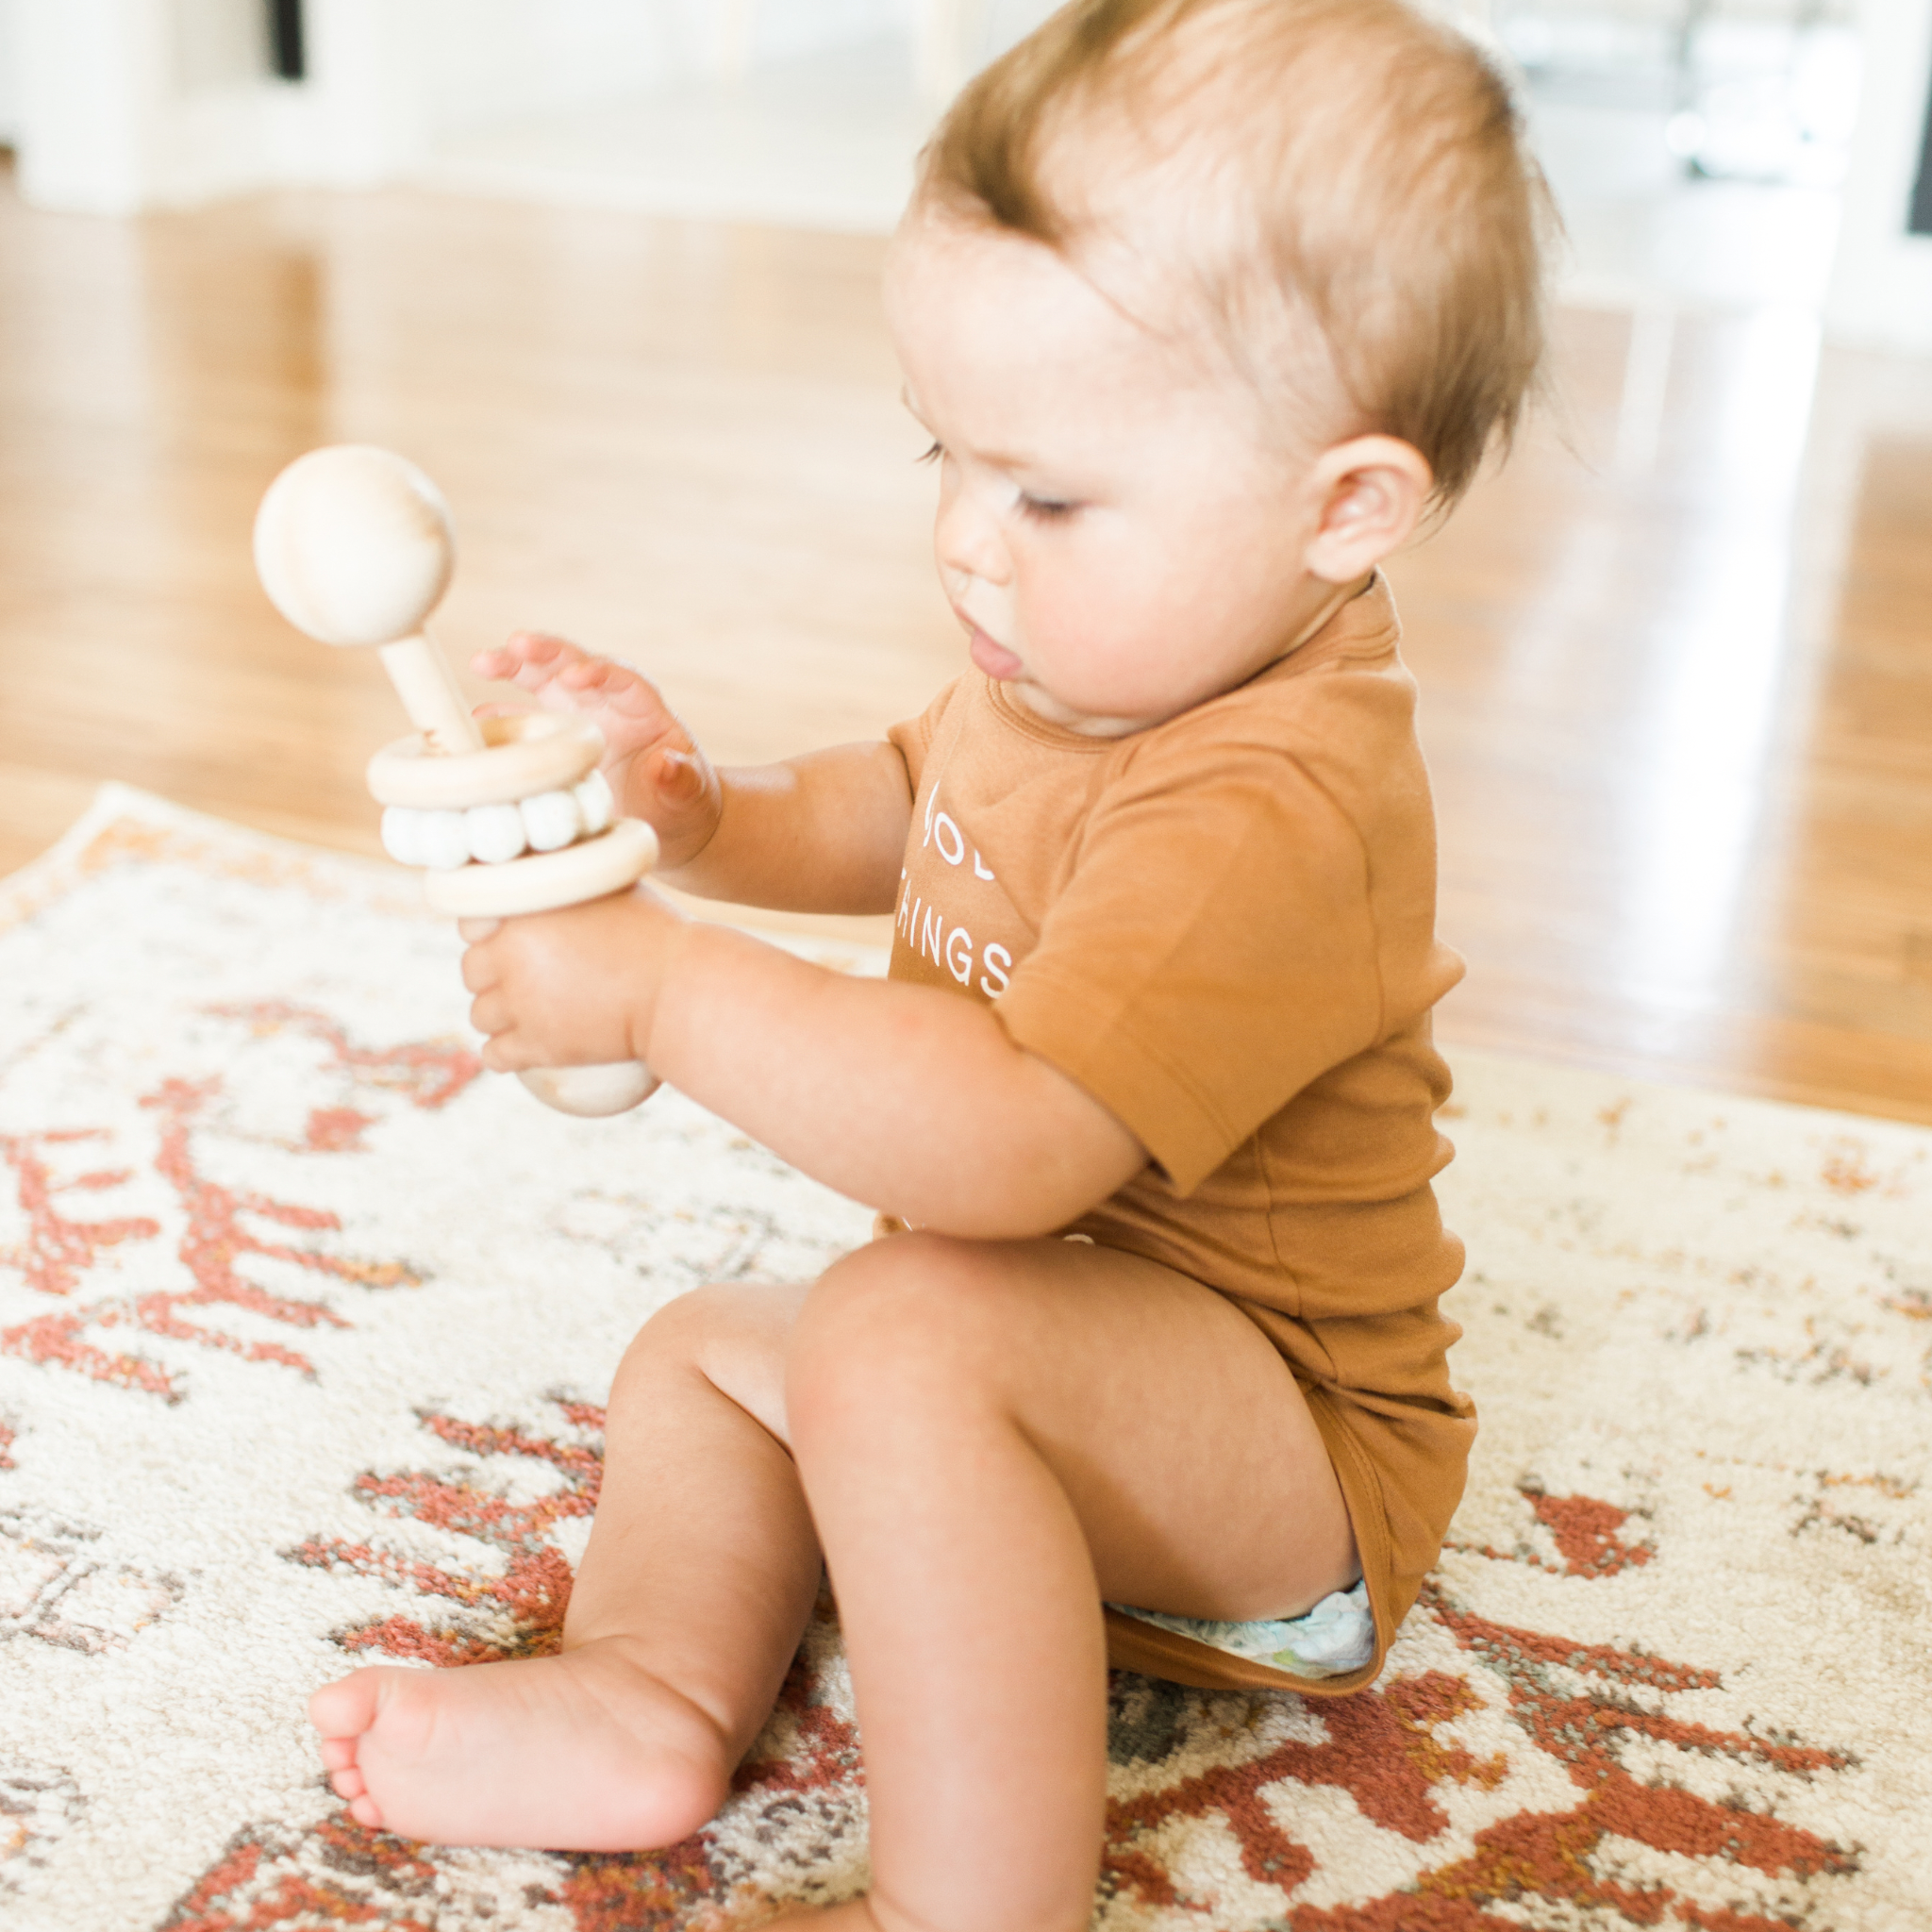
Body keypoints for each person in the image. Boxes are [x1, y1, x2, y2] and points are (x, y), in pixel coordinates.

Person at [308, 0, 1553, 1924]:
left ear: (1341, 507)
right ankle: (649, 1690)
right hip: (1036, 1379)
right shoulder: (1080, 655)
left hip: (1283, 1462)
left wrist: (659, 982)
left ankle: (976, 1898)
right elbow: (910, 798)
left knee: (892, 1321)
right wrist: (706, 803)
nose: (970, 542)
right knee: (713, 1357)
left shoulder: (1271, 800)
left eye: (1046, 492)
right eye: (944, 456)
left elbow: (999, 1153)